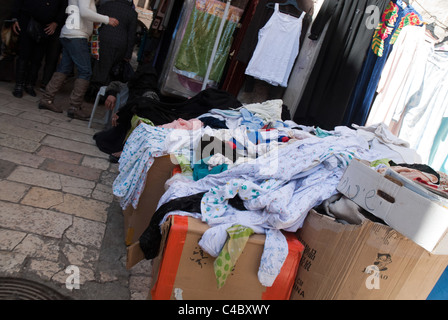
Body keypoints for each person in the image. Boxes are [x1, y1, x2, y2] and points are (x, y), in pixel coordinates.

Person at [38, 0, 119, 120]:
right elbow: (84, 12)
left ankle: (47, 99)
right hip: (76, 35)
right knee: (85, 71)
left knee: (64, 68)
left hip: (71, 34)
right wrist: (107, 19)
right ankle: (74, 107)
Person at [10, 0, 67, 98]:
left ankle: (30, 84)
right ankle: (19, 85)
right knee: (24, 54)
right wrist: (15, 18)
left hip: (45, 26)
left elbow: (63, 6)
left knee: (37, 57)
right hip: (26, 20)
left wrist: (56, 22)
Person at [88, 0, 137, 96]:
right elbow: (131, 36)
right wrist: (128, 54)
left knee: (98, 66)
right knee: (111, 70)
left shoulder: (106, 5)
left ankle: (92, 93)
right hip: (120, 45)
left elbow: (95, 24)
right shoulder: (132, 13)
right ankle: (104, 94)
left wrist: (91, 42)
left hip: (102, 40)